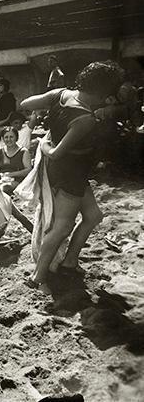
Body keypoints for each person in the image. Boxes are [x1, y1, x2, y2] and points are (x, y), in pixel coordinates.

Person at [20, 61, 124, 294]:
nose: (108, 100)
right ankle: (37, 276)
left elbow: (25, 103)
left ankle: (69, 261)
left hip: (72, 169)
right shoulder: (85, 118)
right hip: (68, 171)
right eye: (108, 95)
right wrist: (45, 144)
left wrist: (50, 123)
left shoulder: (60, 93)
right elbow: (56, 154)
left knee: (94, 215)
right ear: (102, 91)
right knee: (62, 226)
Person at [0, 127, 32, 194]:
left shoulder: (23, 152)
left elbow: (28, 170)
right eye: (6, 137)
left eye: (11, 137)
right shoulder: (0, 152)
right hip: (2, 179)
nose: (8, 139)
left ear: (16, 138)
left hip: (17, 181)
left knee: (5, 187)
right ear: (3, 139)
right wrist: (0, 175)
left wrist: (11, 174)